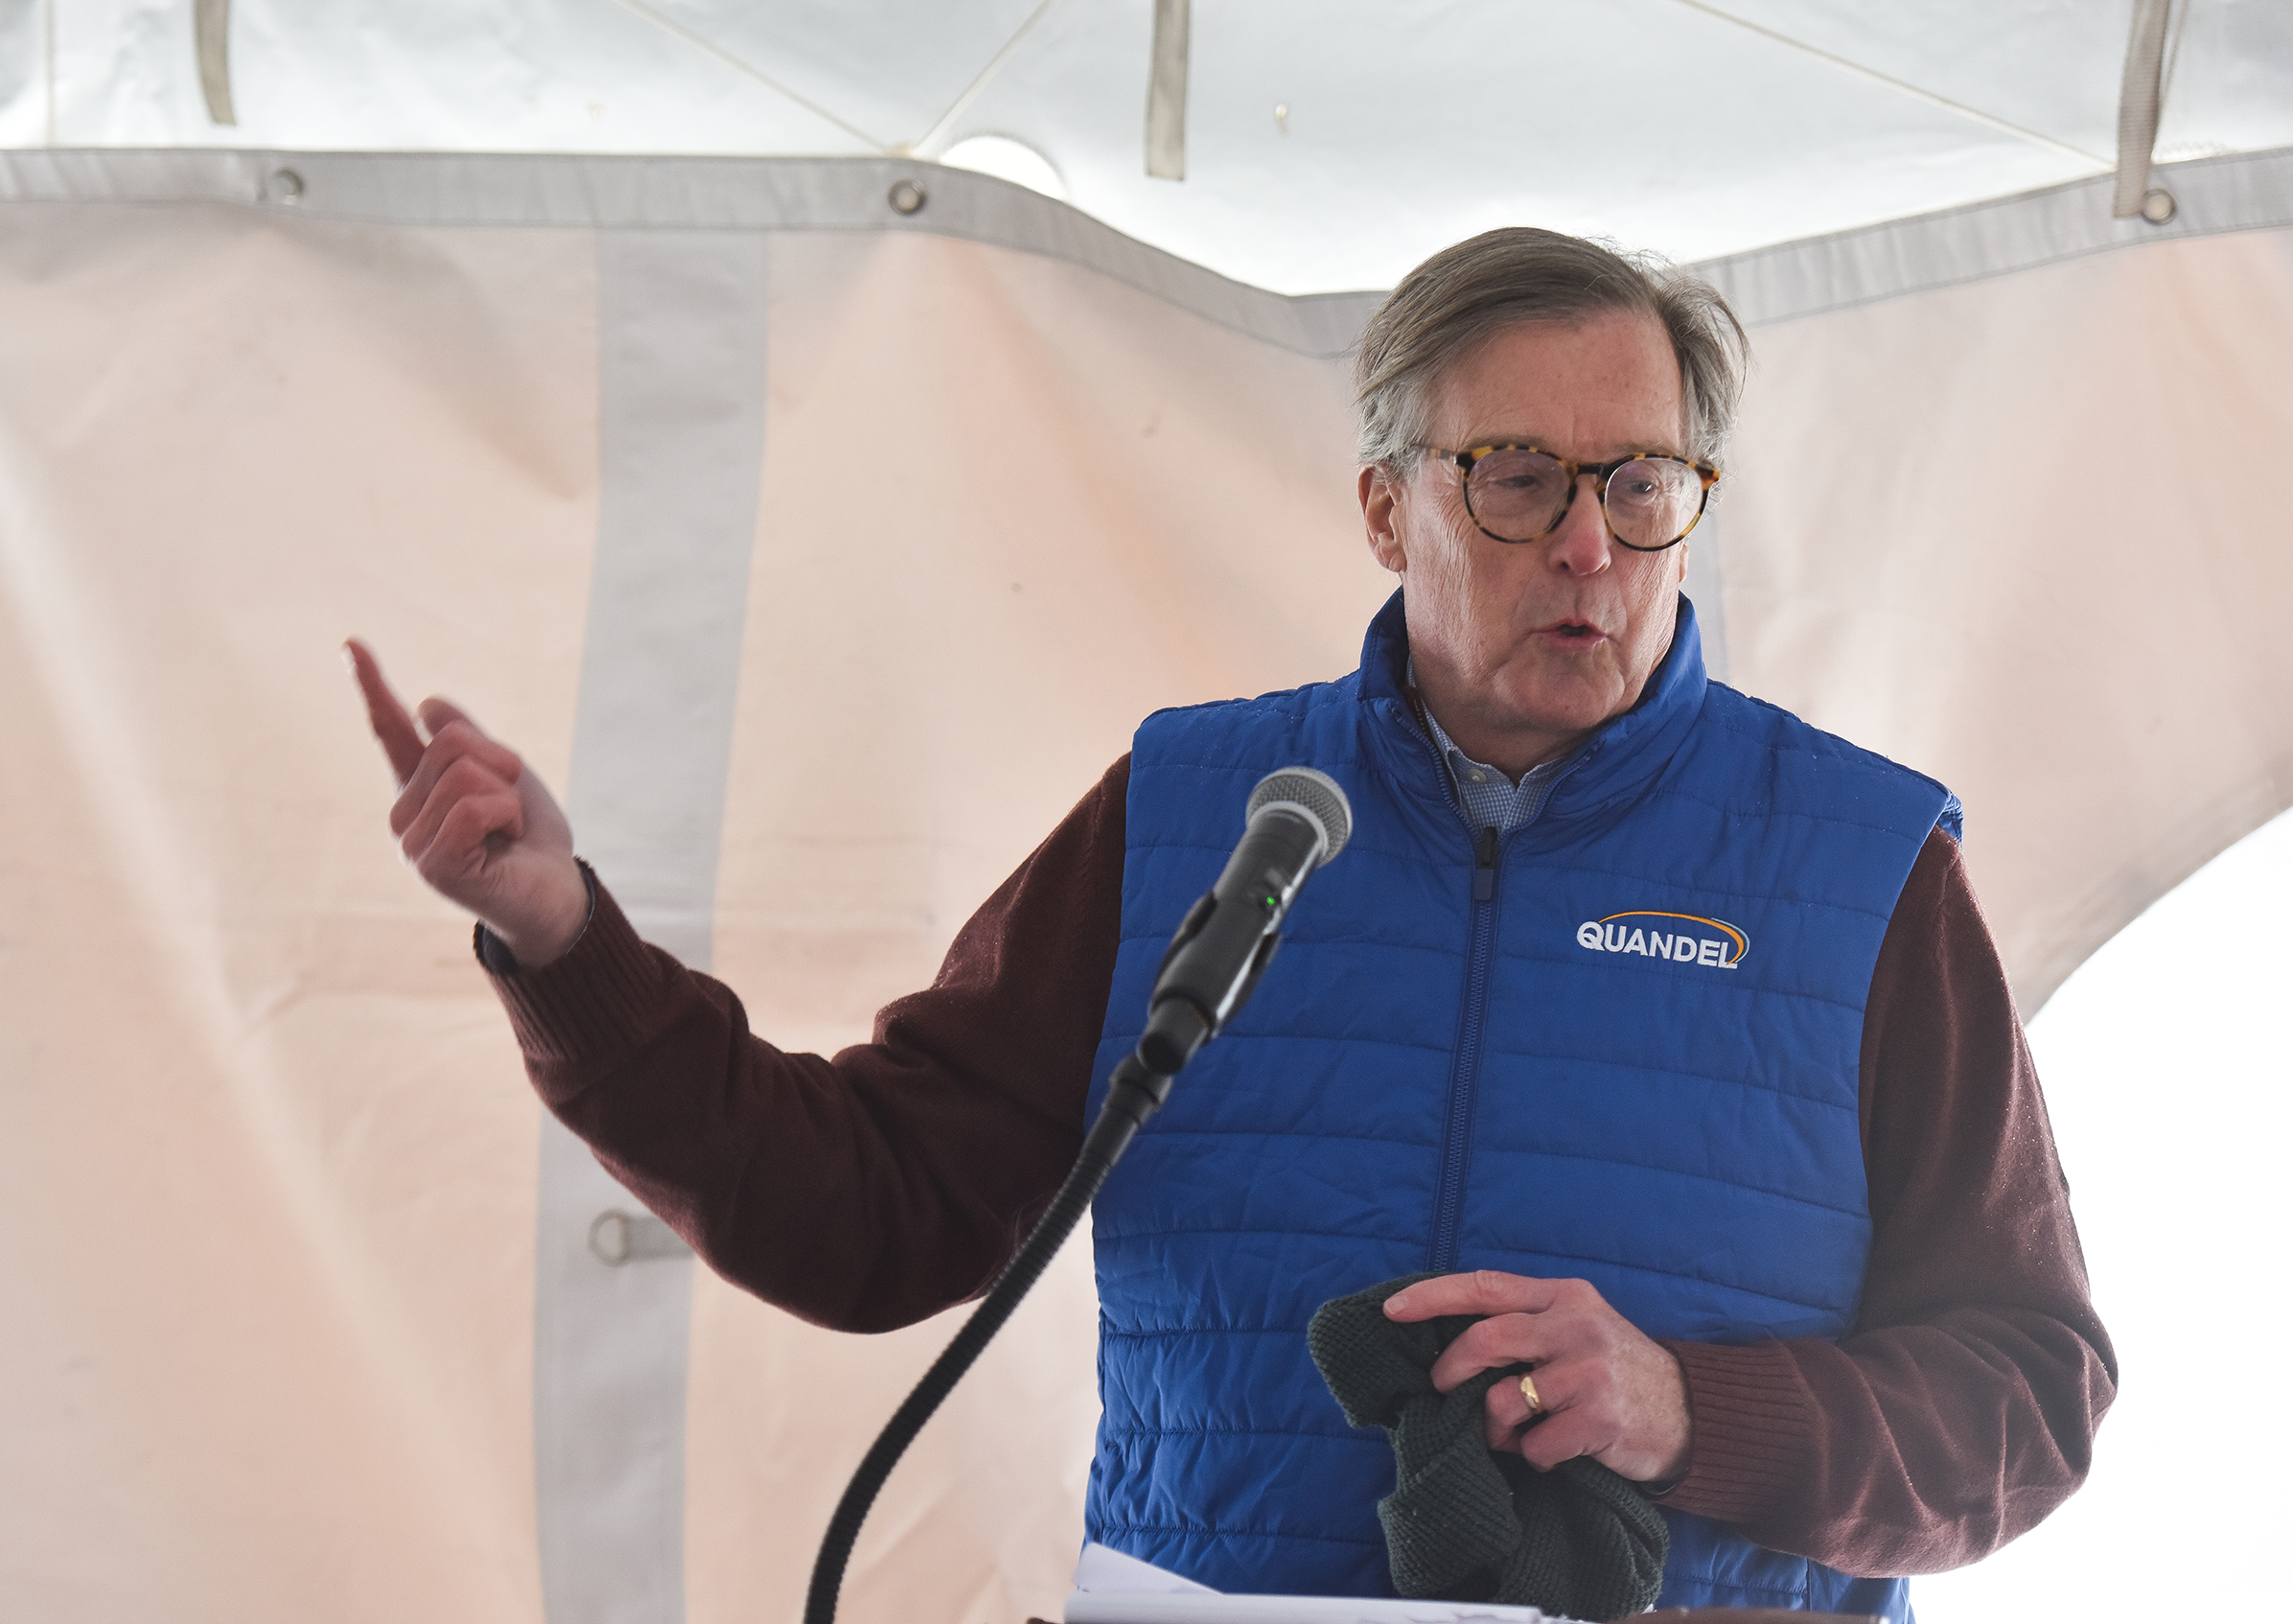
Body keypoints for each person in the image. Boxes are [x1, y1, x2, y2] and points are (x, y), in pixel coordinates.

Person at [350, 228, 2114, 1617]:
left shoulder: (1865, 864)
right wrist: (563, 938)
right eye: (1516, 477)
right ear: (1386, 507)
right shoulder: (1204, 815)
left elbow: (2029, 1399)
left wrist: (1686, 1409)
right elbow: (870, 1209)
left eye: (1640, 484)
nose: (1589, 546)